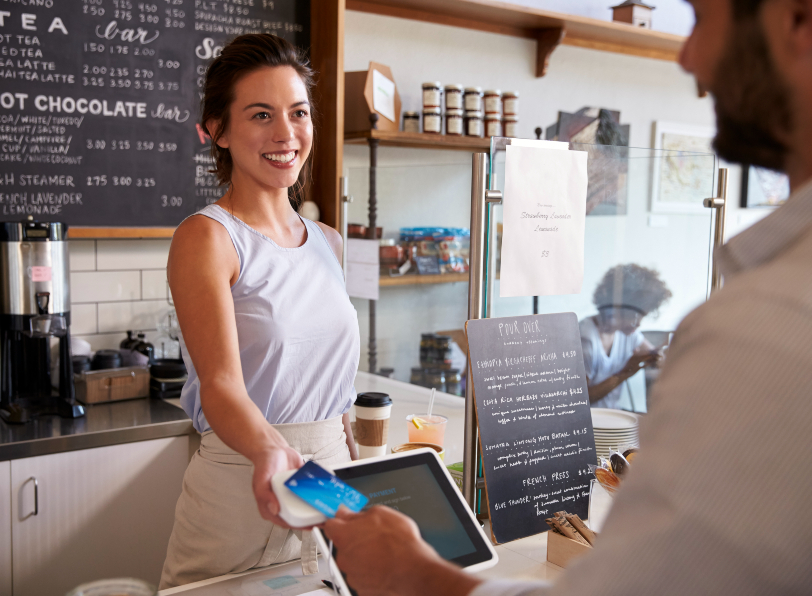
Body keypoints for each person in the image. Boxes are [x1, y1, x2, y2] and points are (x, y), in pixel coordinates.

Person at [323, 0, 812, 594]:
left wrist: (417, 574)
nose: (688, 56)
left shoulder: (767, 326)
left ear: (797, 19)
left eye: (702, 19)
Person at [160, 34, 360, 589]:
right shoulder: (207, 238)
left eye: (298, 113)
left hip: (327, 478)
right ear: (217, 130)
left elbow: (335, 392)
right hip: (242, 484)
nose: (285, 134)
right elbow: (222, 386)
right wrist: (276, 456)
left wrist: (364, 469)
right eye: (260, 115)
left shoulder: (328, 241)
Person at [580, 264, 672, 409]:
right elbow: (581, 400)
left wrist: (658, 357)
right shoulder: (585, 338)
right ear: (618, 306)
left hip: (613, 418)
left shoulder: (627, 333)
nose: (639, 323)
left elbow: (654, 354)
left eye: (643, 316)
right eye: (636, 315)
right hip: (590, 424)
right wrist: (626, 372)